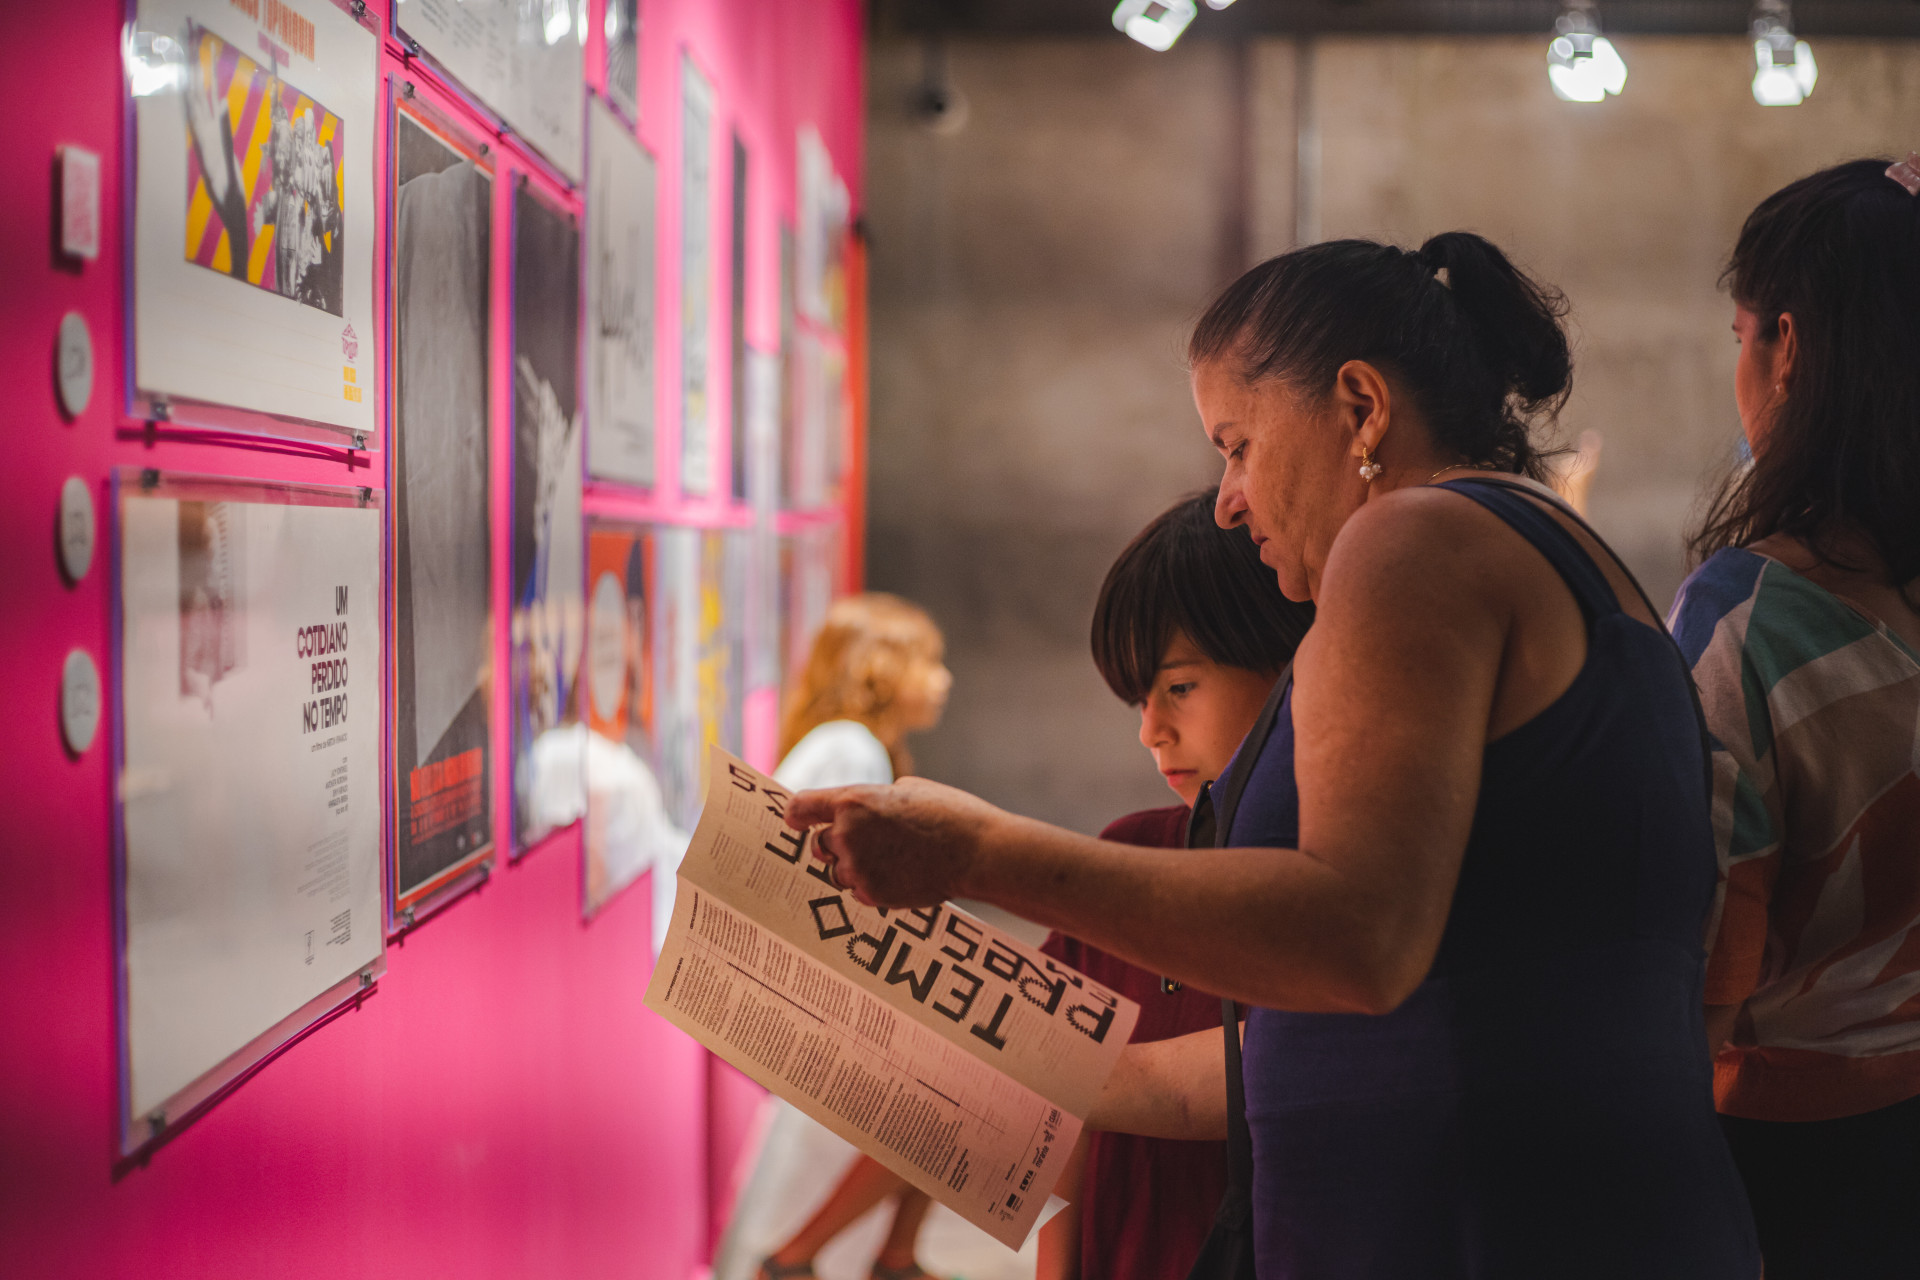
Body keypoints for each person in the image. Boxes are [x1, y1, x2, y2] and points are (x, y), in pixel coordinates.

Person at [788, 233, 1761, 1277]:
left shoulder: (1412, 540)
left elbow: (1358, 932)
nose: (1227, 496)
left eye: (1238, 443)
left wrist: (979, 853)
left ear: (1361, 408)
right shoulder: (1552, 553)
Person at [1668, 156, 1920, 1279]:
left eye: (1739, 333)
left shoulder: (1749, 619)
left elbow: (1704, 977)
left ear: (1789, 348)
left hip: (1802, 1167)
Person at [1039, 490, 1312, 1280]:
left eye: (1180, 688)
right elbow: (1065, 1142)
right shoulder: (1128, 854)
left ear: (1292, 668)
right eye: (1139, 698)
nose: (1150, 729)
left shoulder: (1336, 888)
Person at [749, 593, 953, 1280]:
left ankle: (887, 1256)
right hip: (830, 984)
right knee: (944, 1100)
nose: (944, 678)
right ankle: (806, 1259)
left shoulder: (855, 744)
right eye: (930, 661)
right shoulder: (851, 746)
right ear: (883, 670)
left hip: (832, 974)